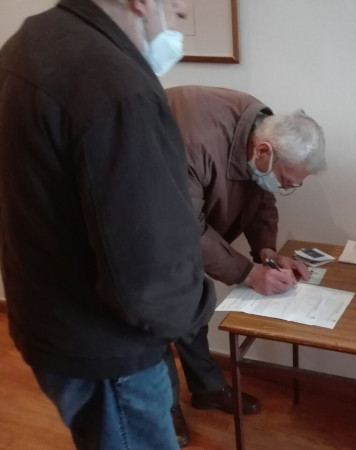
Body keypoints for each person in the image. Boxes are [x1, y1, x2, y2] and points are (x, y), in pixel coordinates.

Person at [0, 1, 215, 449]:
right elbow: (149, 269)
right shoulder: (116, 87)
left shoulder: (28, 41)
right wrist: (196, 308)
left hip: (47, 320)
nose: (181, 15)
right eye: (177, 10)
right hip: (106, 350)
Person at [163, 85, 326, 441]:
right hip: (144, 227)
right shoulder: (193, 142)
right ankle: (163, 409)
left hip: (178, 221)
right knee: (158, 318)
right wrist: (248, 273)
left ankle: (206, 389)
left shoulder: (259, 130)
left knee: (194, 304)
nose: (285, 188)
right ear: (264, 151)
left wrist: (266, 252)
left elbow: (262, 194)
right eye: (287, 182)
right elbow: (184, 228)